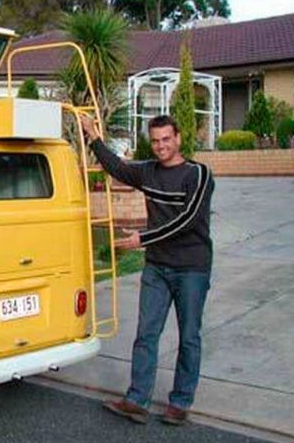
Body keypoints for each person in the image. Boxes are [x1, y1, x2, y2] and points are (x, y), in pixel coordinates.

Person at [80, 114, 214, 425]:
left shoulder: (199, 174)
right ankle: (137, 400)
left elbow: (187, 221)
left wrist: (142, 238)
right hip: (157, 268)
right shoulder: (149, 171)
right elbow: (117, 167)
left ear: (178, 138)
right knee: (146, 335)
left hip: (191, 269)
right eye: (155, 141)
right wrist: (93, 136)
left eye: (166, 139)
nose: (161, 146)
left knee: (189, 337)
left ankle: (180, 403)